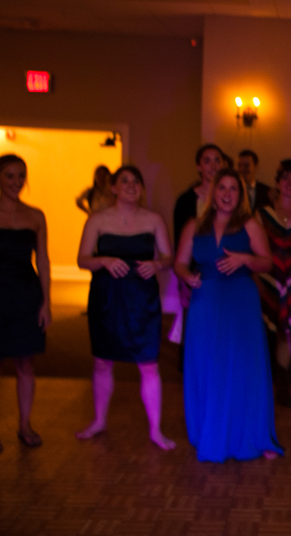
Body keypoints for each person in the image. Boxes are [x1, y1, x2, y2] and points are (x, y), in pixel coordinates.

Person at [174, 168, 283, 462]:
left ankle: (251, 434)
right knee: (208, 366)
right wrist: (187, 276)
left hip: (240, 302)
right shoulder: (194, 225)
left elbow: (267, 263)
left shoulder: (249, 225)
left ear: (241, 195)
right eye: (222, 187)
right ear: (213, 192)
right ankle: (210, 431)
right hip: (205, 301)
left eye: (233, 188)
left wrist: (245, 259)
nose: (227, 193)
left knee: (244, 366)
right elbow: (180, 263)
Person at [75, 165, 176, 450]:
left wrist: (156, 264)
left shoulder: (154, 219)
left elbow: (168, 257)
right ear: (114, 188)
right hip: (107, 297)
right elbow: (82, 259)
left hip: (142, 298)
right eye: (125, 181)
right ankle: (99, 420)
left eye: (136, 181)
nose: (131, 185)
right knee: (102, 361)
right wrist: (104, 260)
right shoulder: (97, 220)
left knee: (148, 363)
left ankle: (155, 430)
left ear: (141, 188)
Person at [0, 154, 51, 453]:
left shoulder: (36, 216)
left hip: (27, 295)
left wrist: (46, 301)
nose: (17, 182)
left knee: (26, 362)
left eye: (21, 176)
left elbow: (43, 261)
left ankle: (24, 423)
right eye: (10, 176)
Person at [256, 160, 291, 407]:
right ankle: (260, 384)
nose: (290, 183)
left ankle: (282, 384)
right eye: (285, 178)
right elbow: (254, 248)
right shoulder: (263, 214)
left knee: (285, 333)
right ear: (278, 183)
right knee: (263, 331)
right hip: (267, 278)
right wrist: (255, 279)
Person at [173, 144, 223, 249]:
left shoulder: (230, 197)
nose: (213, 166)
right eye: (207, 161)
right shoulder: (185, 201)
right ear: (198, 166)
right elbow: (180, 242)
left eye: (217, 161)